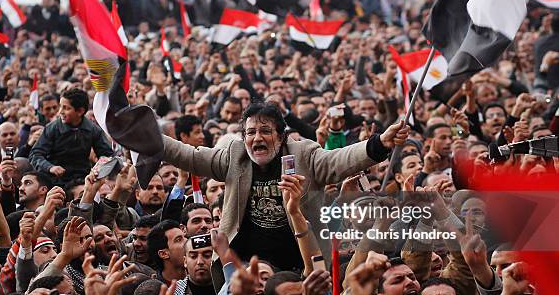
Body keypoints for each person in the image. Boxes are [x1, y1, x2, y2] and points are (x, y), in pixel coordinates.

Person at [161, 102, 409, 271]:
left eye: (266, 131)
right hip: (246, 266)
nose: (257, 138)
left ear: (281, 138)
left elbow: (339, 160)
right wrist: (146, 137)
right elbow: (189, 156)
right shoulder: (234, 156)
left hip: (301, 265)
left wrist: (380, 143)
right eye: (250, 132)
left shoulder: (305, 155)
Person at [29, 88, 114, 185]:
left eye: (66, 108)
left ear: (80, 111)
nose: (61, 111)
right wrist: (50, 167)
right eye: (61, 107)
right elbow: (35, 155)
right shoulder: (52, 128)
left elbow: (107, 156)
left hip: (83, 179)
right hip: (54, 181)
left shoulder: (93, 130)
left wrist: (98, 169)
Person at [147, 220, 186, 284]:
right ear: (163, 254)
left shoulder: (201, 278)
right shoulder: (156, 290)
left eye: (185, 237)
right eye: (179, 240)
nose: (187, 241)